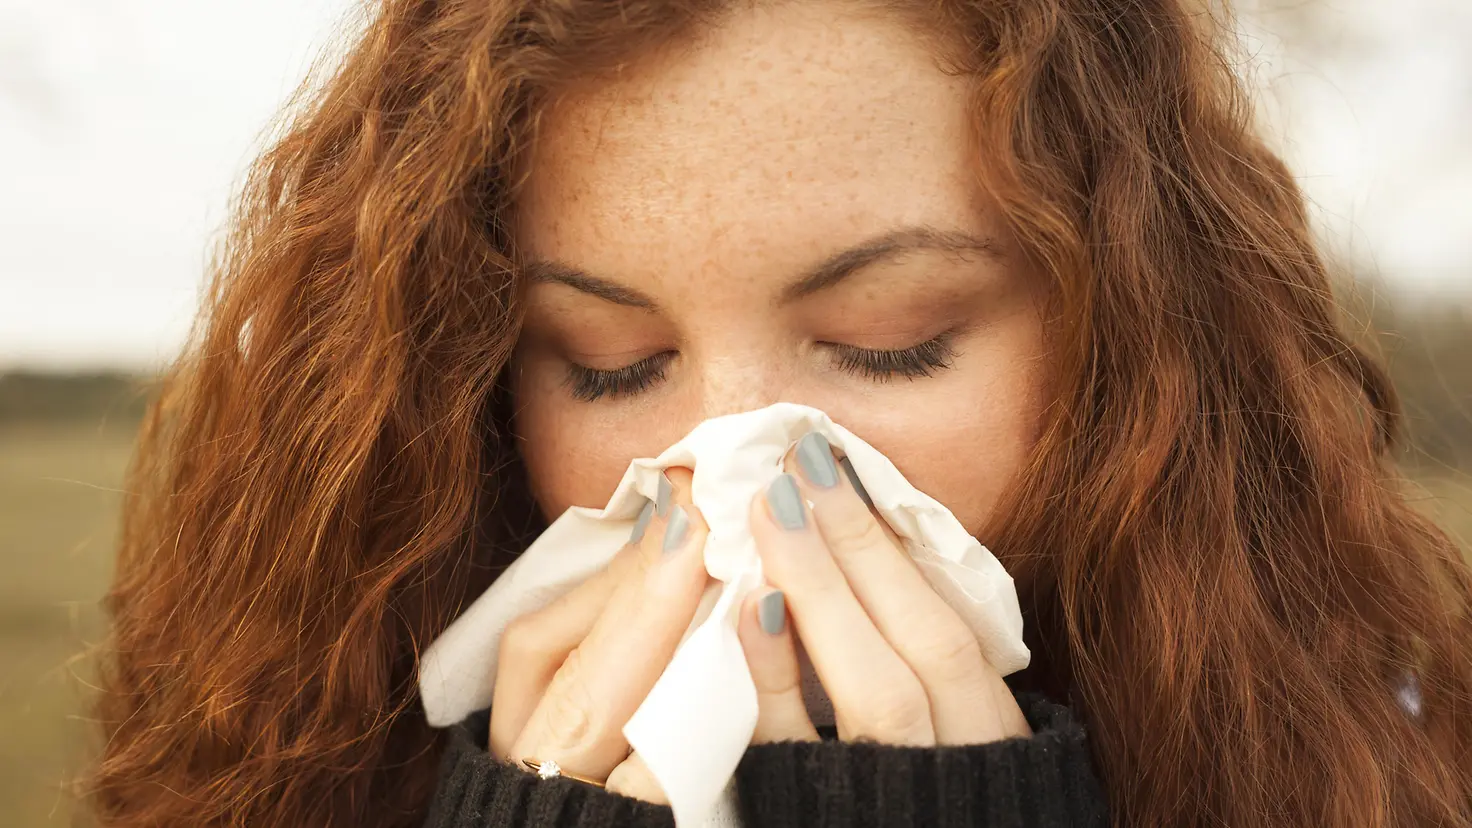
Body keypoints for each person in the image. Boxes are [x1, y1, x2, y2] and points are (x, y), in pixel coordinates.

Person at [88, 0, 1472, 826]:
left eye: (894, 345)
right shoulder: (312, 768)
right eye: (610, 364)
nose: (740, 477)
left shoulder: (1398, 769)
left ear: (1137, 342)